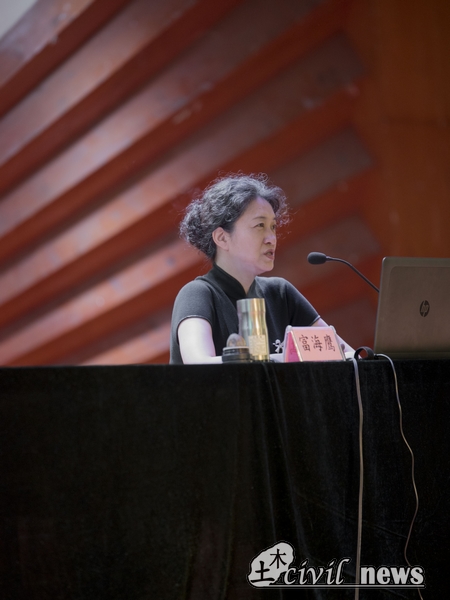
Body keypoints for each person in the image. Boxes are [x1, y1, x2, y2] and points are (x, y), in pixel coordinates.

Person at [170, 173, 353, 364]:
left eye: (273, 227)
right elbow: (199, 364)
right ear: (222, 238)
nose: (271, 238)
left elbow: (347, 356)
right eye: (260, 225)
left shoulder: (280, 293)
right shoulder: (196, 294)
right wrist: (275, 361)